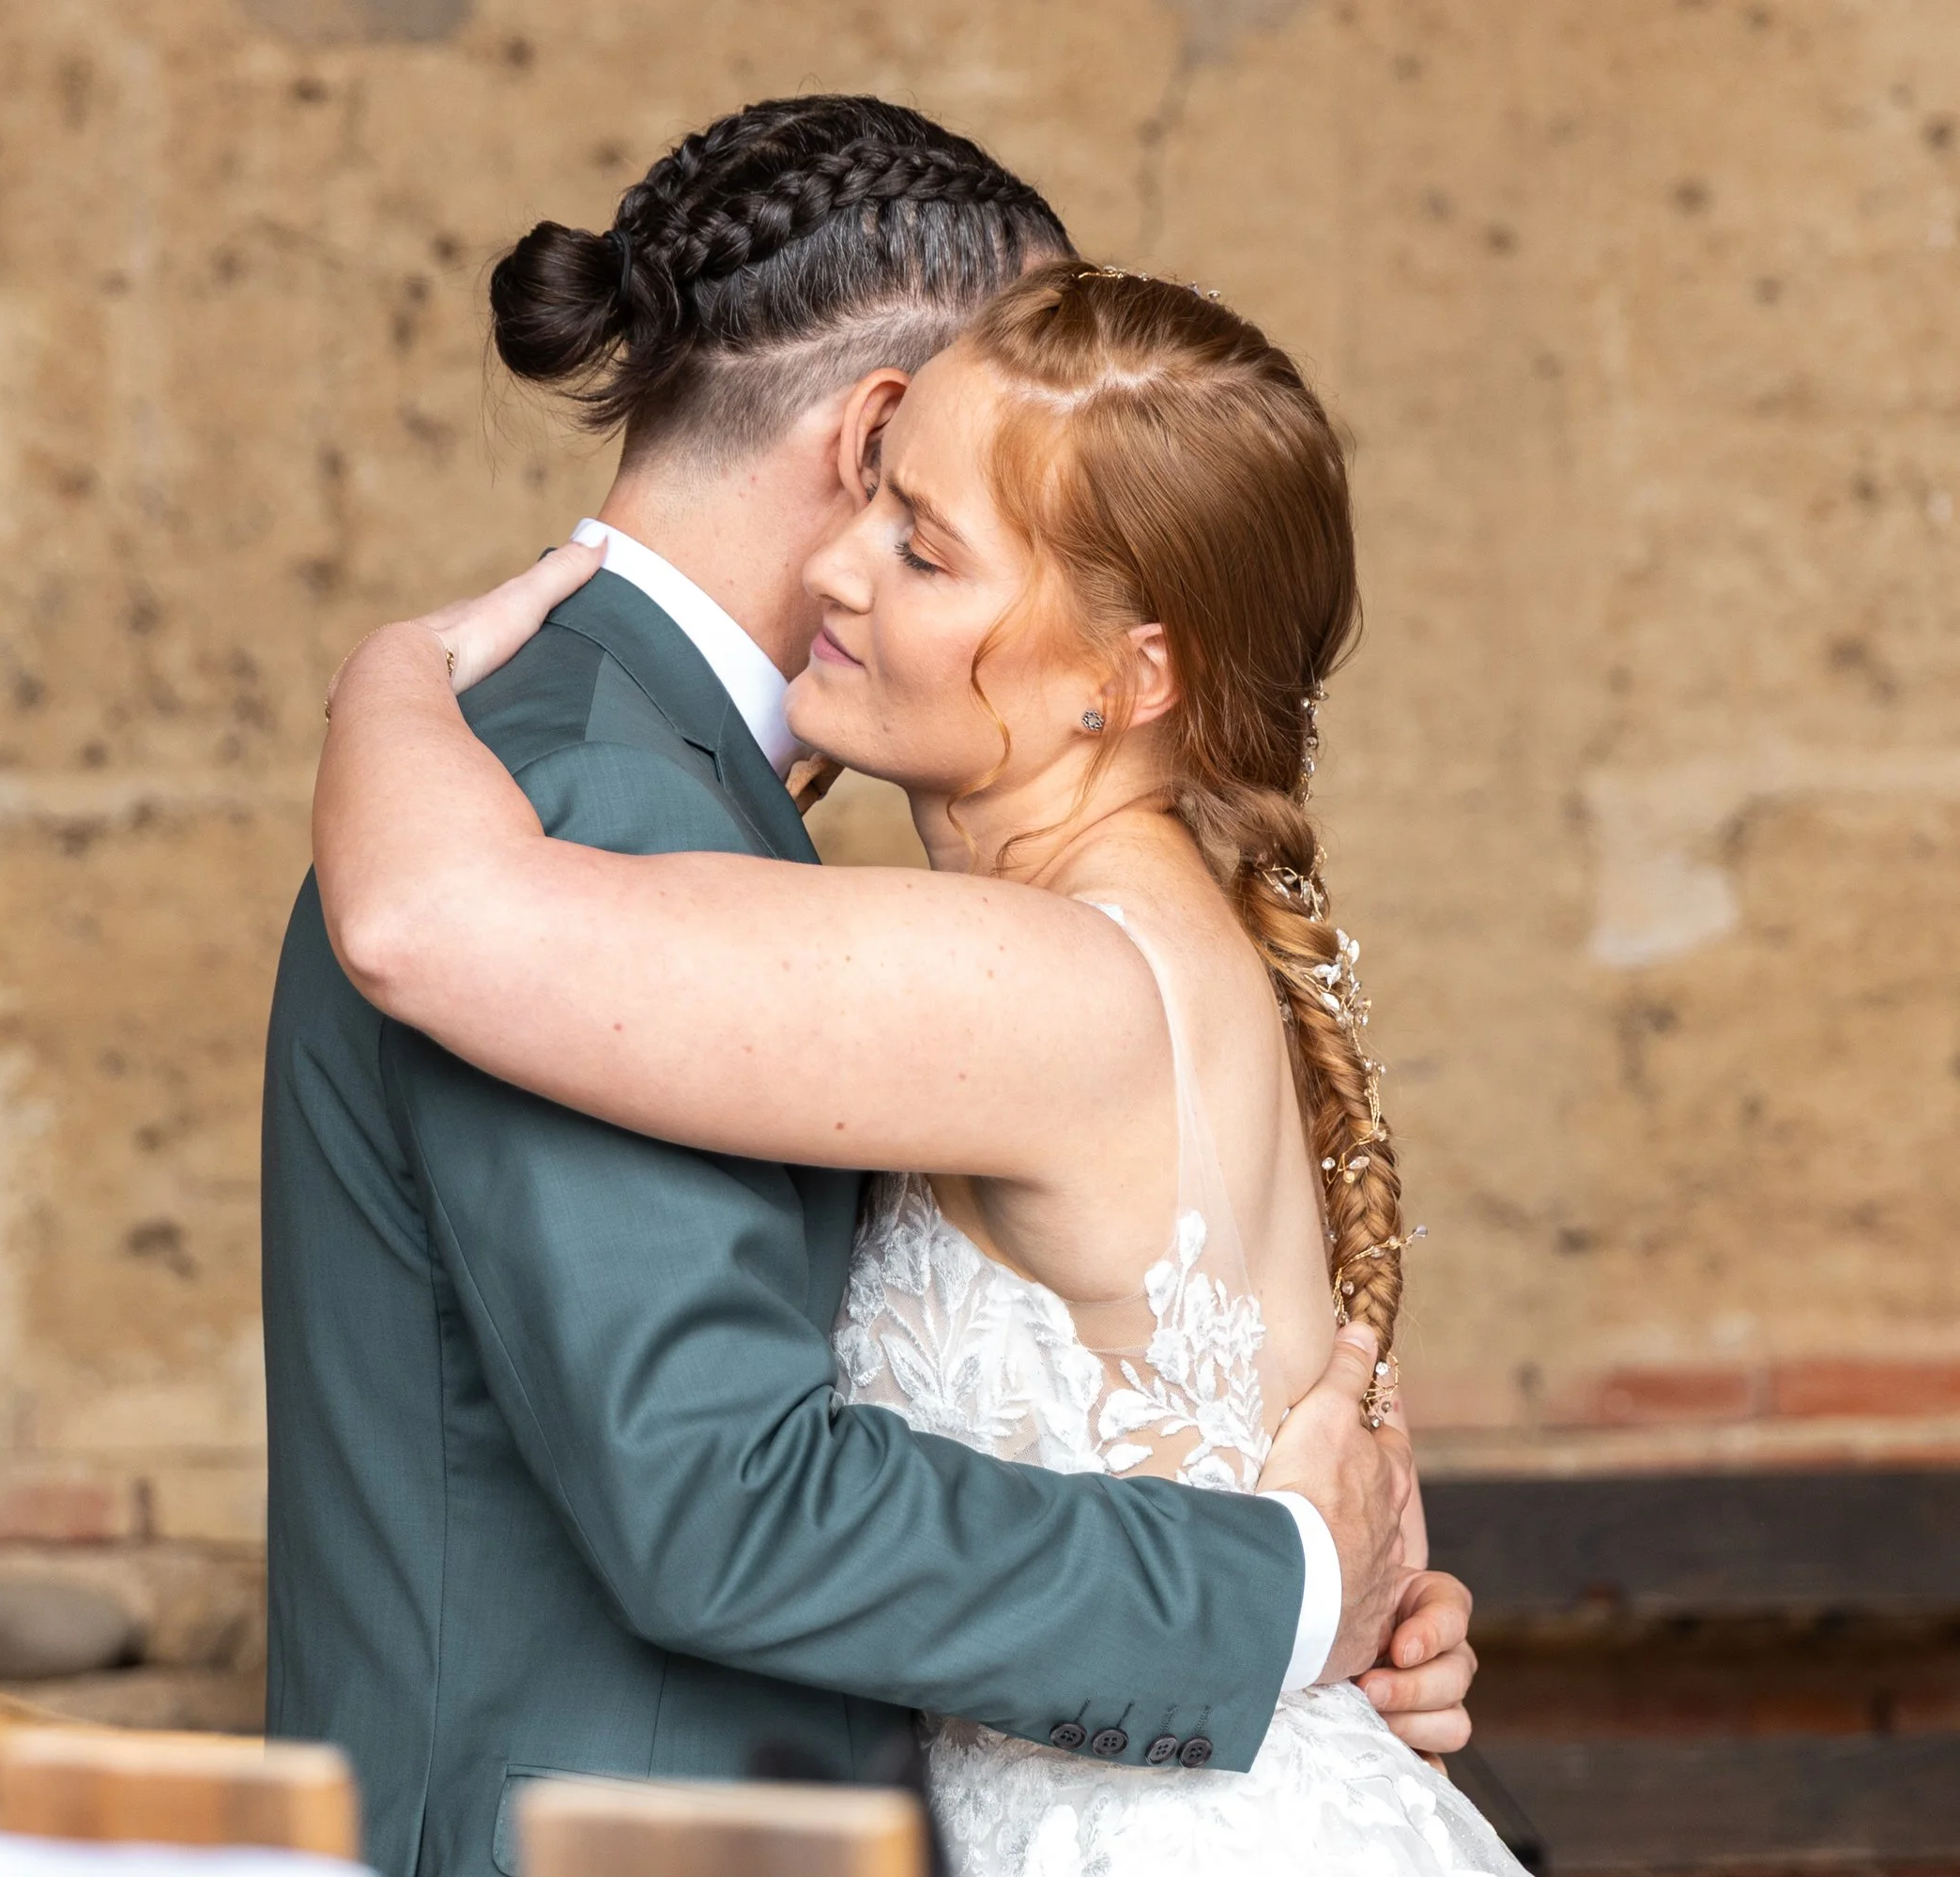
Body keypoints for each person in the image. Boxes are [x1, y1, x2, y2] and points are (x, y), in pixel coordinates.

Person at [264, 97, 1479, 1877]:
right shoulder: (606, 797)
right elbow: (721, 1497)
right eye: (904, 512)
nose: (859, 567)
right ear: (869, 432)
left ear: (1124, 664)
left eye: (936, 541)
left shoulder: (674, 822)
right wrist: (1292, 1592)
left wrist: (1305, 1601)